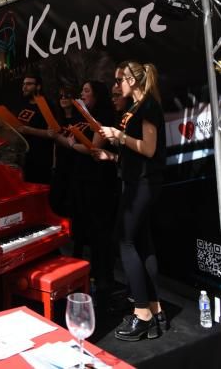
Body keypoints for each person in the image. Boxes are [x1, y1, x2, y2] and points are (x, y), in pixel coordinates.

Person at [96, 61, 166, 340]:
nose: (115, 86)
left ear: (132, 81)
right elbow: (134, 152)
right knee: (142, 242)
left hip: (144, 185)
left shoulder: (148, 106)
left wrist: (119, 136)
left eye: (119, 80)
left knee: (124, 241)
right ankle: (154, 308)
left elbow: (148, 149)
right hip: (134, 181)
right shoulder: (132, 109)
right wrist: (112, 154)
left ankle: (142, 314)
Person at [66, 80, 117, 301]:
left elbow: (94, 148)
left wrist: (69, 143)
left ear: (97, 95)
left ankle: (102, 278)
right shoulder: (85, 115)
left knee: (99, 231)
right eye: (83, 90)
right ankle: (82, 273)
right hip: (82, 178)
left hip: (99, 180)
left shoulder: (103, 115)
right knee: (83, 226)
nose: (82, 94)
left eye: (87, 91)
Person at [14, 74, 59, 184]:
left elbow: (52, 133)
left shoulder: (46, 105)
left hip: (40, 159)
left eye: (29, 84)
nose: (24, 87)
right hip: (21, 157)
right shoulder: (22, 103)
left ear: (38, 87)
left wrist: (29, 130)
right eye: (24, 84)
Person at [49, 87, 81, 217]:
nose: (63, 99)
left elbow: (72, 144)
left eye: (67, 96)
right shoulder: (57, 119)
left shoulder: (80, 120)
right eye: (61, 96)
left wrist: (56, 136)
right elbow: (55, 144)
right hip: (60, 164)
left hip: (75, 163)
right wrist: (54, 164)